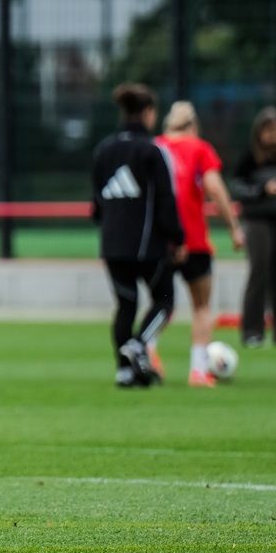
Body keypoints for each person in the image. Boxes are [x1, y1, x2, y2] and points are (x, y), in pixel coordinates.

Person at [91, 83, 185, 388]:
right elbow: (165, 199)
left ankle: (124, 370)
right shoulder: (153, 150)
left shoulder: (103, 149)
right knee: (166, 299)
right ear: (148, 113)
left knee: (126, 306)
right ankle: (140, 344)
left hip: (112, 245)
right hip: (147, 247)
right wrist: (177, 238)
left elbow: (96, 203)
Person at [156, 101, 245, 386]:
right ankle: (198, 370)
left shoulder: (155, 147)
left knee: (161, 304)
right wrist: (234, 228)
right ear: (193, 125)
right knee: (202, 306)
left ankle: (147, 351)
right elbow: (216, 189)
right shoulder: (200, 149)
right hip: (193, 239)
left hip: (160, 241)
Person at [229, 106, 276, 347]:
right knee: (258, 273)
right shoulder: (250, 157)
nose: (274, 135)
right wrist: (263, 190)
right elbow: (237, 187)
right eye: (269, 130)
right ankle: (252, 330)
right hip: (257, 221)